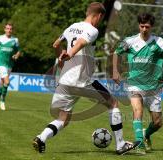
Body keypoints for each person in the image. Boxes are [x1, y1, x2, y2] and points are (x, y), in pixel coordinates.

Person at [32, 2, 139, 155]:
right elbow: (82, 42)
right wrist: (70, 54)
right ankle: (120, 145)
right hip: (82, 80)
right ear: (99, 16)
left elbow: (56, 45)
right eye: (101, 19)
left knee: (64, 118)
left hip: (65, 81)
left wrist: (62, 60)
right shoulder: (92, 30)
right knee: (113, 102)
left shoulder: (71, 27)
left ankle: (41, 138)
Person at [113, 13, 163, 154]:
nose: (144, 29)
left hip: (153, 87)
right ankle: (140, 144)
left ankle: (145, 134)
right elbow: (116, 52)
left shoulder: (159, 42)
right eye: (142, 26)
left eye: (147, 26)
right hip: (134, 83)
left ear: (152, 27)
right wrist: (115, 71)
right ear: (139, 25)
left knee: (158, 123)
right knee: (138, 110)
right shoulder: (130, 41)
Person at [0, 23, 21, 110]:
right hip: (0, 63)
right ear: (4, 29)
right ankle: (2, 100)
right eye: (7, 28)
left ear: (12, 30)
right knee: (7, 81)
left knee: (2, 84)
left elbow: (18, 51)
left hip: (9, 64)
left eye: (10, 29)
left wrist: (16, 56)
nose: (9, 30)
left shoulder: (15, 40)